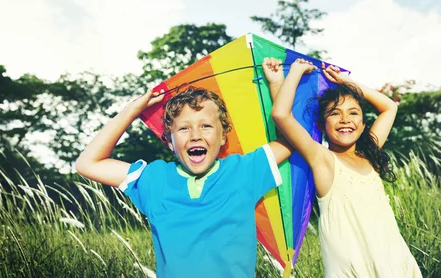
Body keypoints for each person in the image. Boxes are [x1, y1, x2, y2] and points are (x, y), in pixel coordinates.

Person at [74, 57, 292, 278]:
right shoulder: (154, 178)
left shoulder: (244, 171)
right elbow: (87, 164)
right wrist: (130, 111)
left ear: (224, 136)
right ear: (169, 141)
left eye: (206, 126)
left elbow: (290, 140)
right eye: (184, 129)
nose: (196, 135)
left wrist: (276, 85)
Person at [270, 58, 422, 277]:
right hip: (353, 269)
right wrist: (293, 73)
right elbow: (281, 115)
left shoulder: (369, 154)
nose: (345, 119)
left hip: (395, 261)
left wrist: (348, 82)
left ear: (362, 125)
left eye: (353, 113)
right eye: (334, 113)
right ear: (322, 125)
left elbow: (389, 107)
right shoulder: (322, 159)